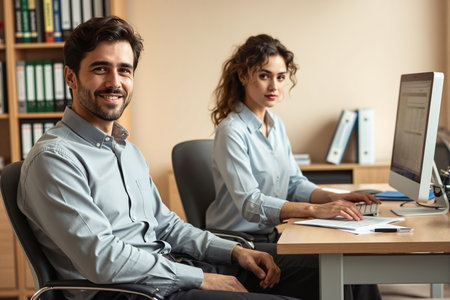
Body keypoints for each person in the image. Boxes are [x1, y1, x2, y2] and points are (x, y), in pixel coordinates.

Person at [17, 18, 301, 300]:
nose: (115, 82)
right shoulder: (54, 159)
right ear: (70, 77)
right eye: (100, 69)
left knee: (315, 270)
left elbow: (167, 226)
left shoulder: (127, 151)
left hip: (168, 272)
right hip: (131, 293)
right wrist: (203, 279)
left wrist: (235, 252)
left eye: (124, 70)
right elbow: (103, 260)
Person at [207, 34, 382, 300]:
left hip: (273, 236)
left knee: (355, 262)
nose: (273, 85)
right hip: (240, 245)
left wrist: (337, 198)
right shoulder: (231, 131)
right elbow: (251, 204)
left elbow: (294, 184)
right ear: (242, 75)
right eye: (264, 75)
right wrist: (316, 210)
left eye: (280, 77)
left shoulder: (276, 125)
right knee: (340, 269)